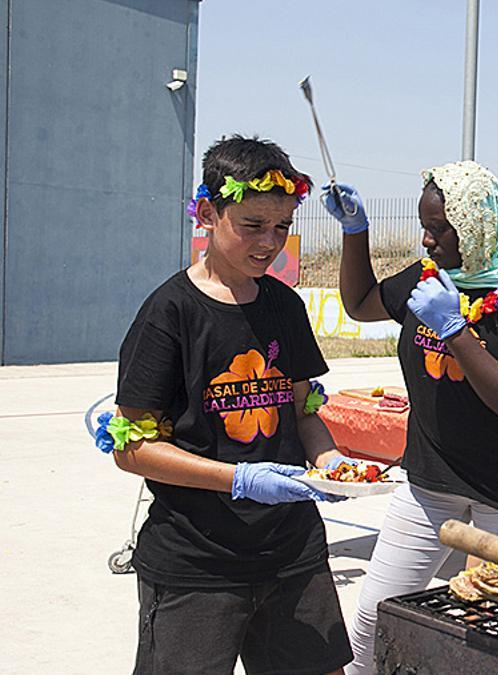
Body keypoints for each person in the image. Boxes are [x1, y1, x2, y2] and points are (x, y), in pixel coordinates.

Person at [98, 135, 352, 674]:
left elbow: (303, 406)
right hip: (198, 562)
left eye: (281, 227)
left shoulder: (283, 304)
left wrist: (331, 462)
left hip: (292, 551)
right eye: (253, 226)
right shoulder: (169, 314)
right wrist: (239, 479)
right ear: (209, 214)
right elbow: (133, 449)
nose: (270, 243)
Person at [322, 161, 498, 674]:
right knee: (374, 617)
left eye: (439, 229)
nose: (426, 241)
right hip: (432, 481)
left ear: (476, 225)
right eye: (425, 227)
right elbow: (361, 303)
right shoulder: (431, 277)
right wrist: (355, 232)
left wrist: (456, 330)